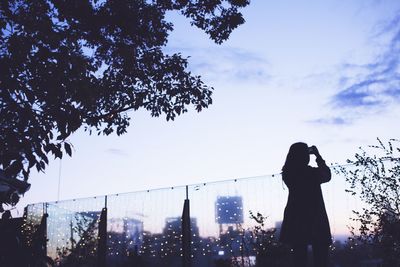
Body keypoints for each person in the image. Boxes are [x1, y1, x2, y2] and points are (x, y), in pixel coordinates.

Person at [279, 142, 332, 267]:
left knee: (299, 257)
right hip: (315, 217)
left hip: (296, 218)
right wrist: (318, 156)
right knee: (320, 257)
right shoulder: (310, 173)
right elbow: (326, 175)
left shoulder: (288, 173)